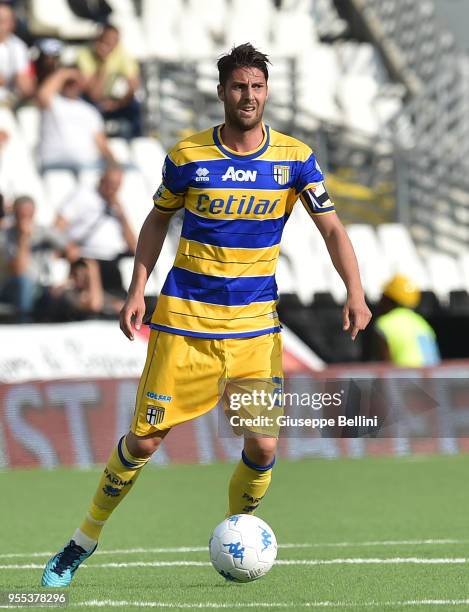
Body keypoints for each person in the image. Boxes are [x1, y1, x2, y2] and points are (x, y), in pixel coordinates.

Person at [41, 43, 371, 587]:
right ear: (222, 92)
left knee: (263, 444)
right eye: (239, 86)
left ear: (267, 92)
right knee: (144, 442)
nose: (249, 96)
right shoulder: (189, 156)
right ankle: (83, 540)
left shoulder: (295, 158)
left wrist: (354, 291)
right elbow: (155, 221)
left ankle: (236, 532)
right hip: (184, 326)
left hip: (253, 328)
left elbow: (332, 228)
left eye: (257, 87)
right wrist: (136, 291)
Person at [54, 164, 136, 295]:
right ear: (101, 180)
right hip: (86, 259)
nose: (113, 189)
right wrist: (68, 247)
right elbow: (58, 228)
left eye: (117, 186)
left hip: (112, 261)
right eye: (110, 184)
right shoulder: (82, 195)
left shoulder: (119, 206)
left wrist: (122, 216)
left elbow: (133, 246)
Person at [0, 195, 73, 321]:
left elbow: (73, 252)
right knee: (25, 282)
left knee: (60, 293)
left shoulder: (43, 232)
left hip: (41, 284)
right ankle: (24, 322)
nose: (26, 219)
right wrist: (23, 239)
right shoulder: (6, 237)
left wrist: (59, 253)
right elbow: (18, 270)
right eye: (22, 215)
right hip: (12, 286)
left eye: (29, 215)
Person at [36, 66, 116, 173]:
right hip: (56, 162)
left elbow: (101, 143)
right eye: (69, 82)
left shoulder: (90, 111)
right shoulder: (53, 103)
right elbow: (43, 93)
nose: (73, 85)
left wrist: (114, 164)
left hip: (88, 164)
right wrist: (64, 73)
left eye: (76, 82)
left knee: (131, 169)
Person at [77, 24, 142, 138]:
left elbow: (134, 84)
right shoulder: (85, 55)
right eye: (108, 41)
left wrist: (117, 103)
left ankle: (135, 140)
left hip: (117, 101)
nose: (112, 45)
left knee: (135, 109)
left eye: (115, 41)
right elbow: (93, 94)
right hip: (92, 101)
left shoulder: (121, 53)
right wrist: (103, 65)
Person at [373, 274, 440, 367]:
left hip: (403, 378)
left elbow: (385, 365)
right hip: (431, 377)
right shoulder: (422, 323)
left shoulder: (385, 323)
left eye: (383, 296)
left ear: (389, 299)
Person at [0, 2, 34, 105]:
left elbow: (26, 86)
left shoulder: (19, 46)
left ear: (12, 23)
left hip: (9, 103)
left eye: (2, 21)